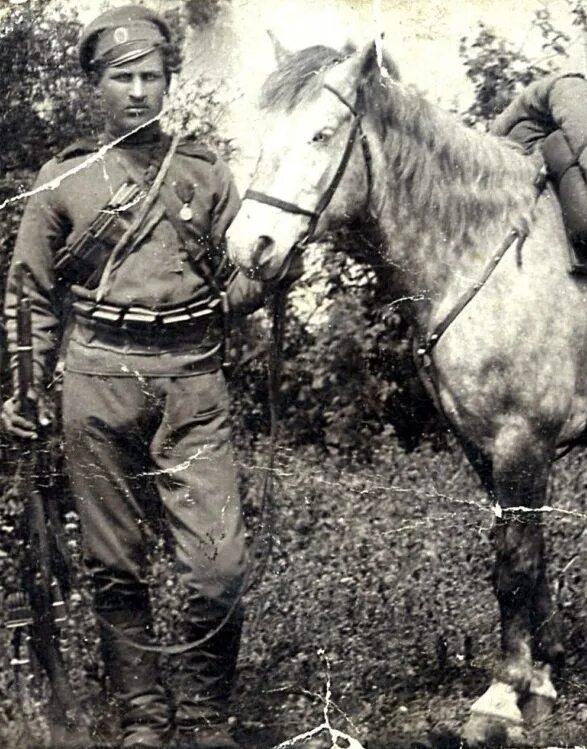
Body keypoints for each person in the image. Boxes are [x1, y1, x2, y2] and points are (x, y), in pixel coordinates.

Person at [1, 6, 282, 748]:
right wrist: (25, 394)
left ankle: (205, 718)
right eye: (121, 77)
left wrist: (273, 274)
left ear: (169, 83)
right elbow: (28, 292)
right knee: (114, 564)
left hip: (193, 380)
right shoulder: (62, 180)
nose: (137, 92)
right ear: (96, 84)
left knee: (218, 566)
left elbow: (235, 287)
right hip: (97, 379)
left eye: (150, 77)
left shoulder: (204, 173)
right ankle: (144, 722)